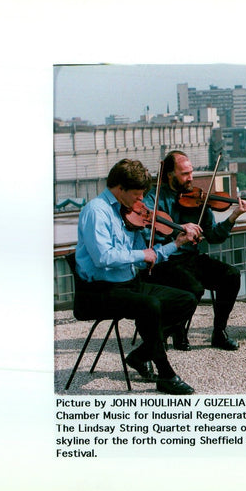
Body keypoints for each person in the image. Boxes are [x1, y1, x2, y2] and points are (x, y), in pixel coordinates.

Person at [73, 158, 198, 394]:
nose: (141, 201)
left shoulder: (126, 212)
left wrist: (176, 244)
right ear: (119, 188)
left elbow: (145, 258)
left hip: (128, 284)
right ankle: (166, 375)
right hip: (98, 292)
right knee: (149, 306)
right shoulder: (96, 212)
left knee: (186, 299)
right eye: (137, 195)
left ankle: (140, 356)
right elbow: (103, 257)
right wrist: (141, 252)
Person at [141, 150, 246, 351]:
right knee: (193, 287)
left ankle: (219, 332)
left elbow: (214, 237)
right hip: (165, 261)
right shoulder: (154, 198)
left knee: (231, 275)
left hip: (190, 259)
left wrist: (234, 216)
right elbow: (148, 228)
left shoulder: (199, 199)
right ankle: (176, 330)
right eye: (185, 174)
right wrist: (178, 233)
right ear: (169, 175)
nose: (190, 178)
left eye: (191, 172)